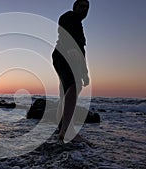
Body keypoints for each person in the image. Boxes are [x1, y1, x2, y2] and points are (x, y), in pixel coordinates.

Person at [52, 0, 90, 144]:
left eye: (87, 8)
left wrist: (85, 72)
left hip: (72, 59)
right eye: (82, 6)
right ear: (75, 7)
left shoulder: (79, 25)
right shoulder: (69, 17)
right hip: (63, 54)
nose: (85, 10)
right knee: (73, 87)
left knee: (67, 91)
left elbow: (82, 50)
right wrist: (69, 47)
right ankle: (67, 132)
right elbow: (63, 30)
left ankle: (63, 127)